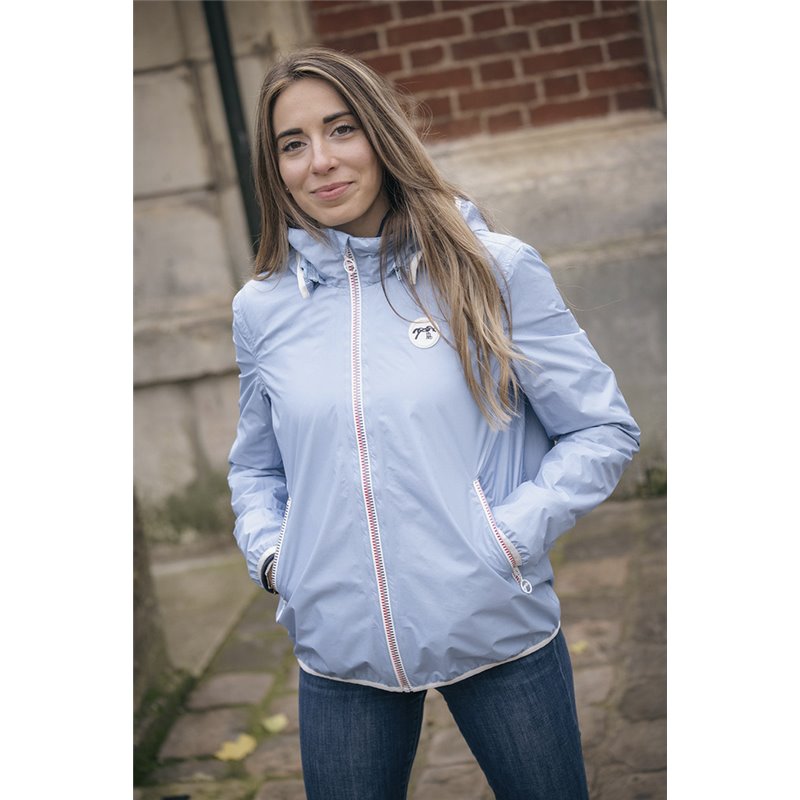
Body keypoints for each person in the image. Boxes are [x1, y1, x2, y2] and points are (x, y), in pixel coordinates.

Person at [228, 47, 640, 800]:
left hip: (495, 627)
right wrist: (277, 557)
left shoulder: (491, 268)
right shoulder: (262, 309)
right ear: (274, 167)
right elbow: (257, 465)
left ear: (381, 135)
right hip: (339, 648)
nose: (320, 161)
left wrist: (504, 541)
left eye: (341, 129)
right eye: (293, 144)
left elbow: (601, 429)